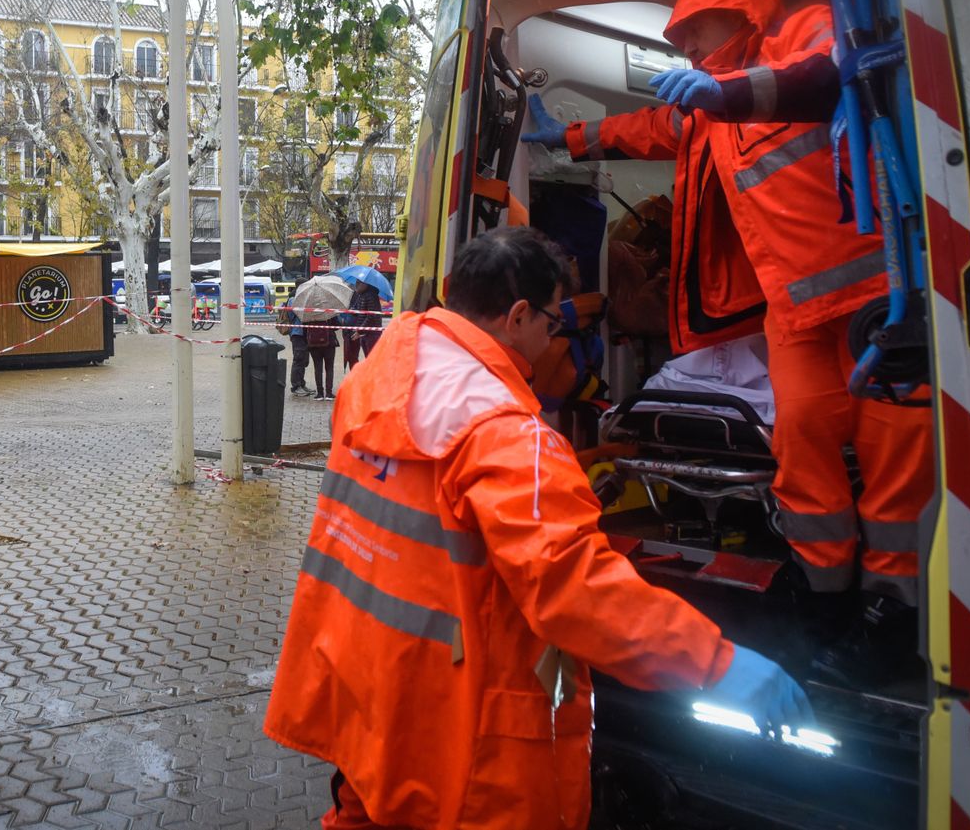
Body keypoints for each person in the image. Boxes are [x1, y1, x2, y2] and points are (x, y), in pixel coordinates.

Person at [265, 227, 811, 830]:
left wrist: (570, 474)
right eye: (553, 323)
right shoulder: (505, 431)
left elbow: (439, 501)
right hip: (457, 726)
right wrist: (714, 663)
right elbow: (575, 587)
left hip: (365, 678)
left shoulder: (381, 377)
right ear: (519, 315)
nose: (553, 339)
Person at [521, 0, 933, 685]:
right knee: (804, 459)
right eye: (677, 41)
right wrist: (568, 138)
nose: (685, 49)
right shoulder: (702, 108)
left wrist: (730, 92)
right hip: (795, 313)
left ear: (732, 10)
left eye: (692, 32)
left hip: (881, 298)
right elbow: (646, 128)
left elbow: (828, 71)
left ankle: (894, 621)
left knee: (894, 468)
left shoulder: (799, 31)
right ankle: (826, 612)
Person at [342, 282, 382, 370]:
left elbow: (371, 316)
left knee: (372, 361)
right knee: (368, 359)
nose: (356, 285)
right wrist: (352, 311)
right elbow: (361, 312)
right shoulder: (362, 295)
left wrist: (359, 331)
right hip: (364, 334)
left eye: (359, 283)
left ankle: (373, 382)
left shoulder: (371, 296)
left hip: (372, 334)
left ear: (365, 284)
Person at [277, 296, 312, 397]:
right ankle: (296, 386)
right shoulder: (293, 300)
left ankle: (301, 383)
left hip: (303, 334)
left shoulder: (300, 298)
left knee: (304, 360)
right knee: (298, 359)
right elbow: (299, 314)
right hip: (297, 334)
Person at [305, 315, 339, 401]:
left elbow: (304, 328)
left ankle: (320, 394)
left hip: (314, 344)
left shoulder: (309, 312)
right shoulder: (329, 311)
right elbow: (337, 325)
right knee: (329, 368)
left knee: (317, 368)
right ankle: (329, 393)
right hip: (329, 343)